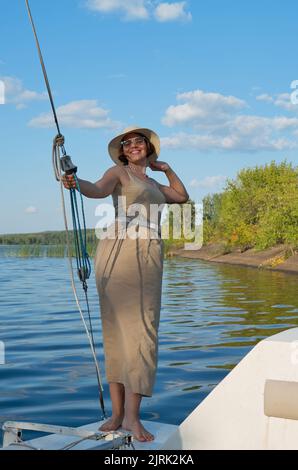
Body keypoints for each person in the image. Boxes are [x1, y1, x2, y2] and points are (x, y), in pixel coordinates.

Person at [62, 126, 189, 442]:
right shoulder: (118, 172)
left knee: (143, 332)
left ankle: (133, 417)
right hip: (118, 250)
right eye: (127, 143)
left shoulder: (155, 182)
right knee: (117, 331)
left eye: (138, 141)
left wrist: (167, 168)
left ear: (148, 147)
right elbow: (97, 189)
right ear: (121, 151)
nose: (133, 145)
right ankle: (119, 414)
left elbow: (182, 196)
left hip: (147, 253)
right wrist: (75, 183)